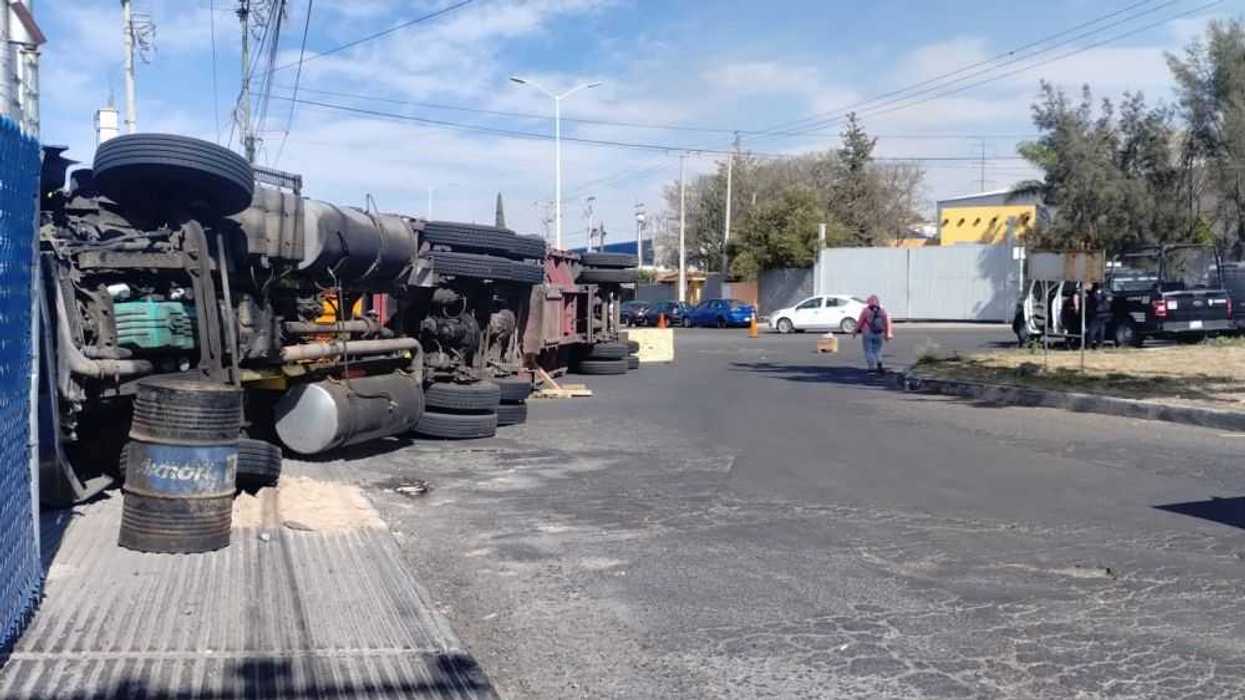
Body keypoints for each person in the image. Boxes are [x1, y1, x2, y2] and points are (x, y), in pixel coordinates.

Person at [852, 295, 894, 373]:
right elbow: (886, 322)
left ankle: (871, 368)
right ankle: (879, 363)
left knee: (868, 350)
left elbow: (860, 322)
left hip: (867, 332)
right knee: (878, 350)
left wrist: (855, 332)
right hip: (879, 332)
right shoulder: (882, 311)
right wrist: (887, 334)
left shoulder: (865, 310)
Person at [1086, 282, 1111, 349]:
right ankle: (1099, 345)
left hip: (1097, 313)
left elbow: (1097, 300)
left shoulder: (1096, 292)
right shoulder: (1106, 291)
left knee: (1094, 330)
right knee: (1100, 330)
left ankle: (1091, 345)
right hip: (1103, 313)